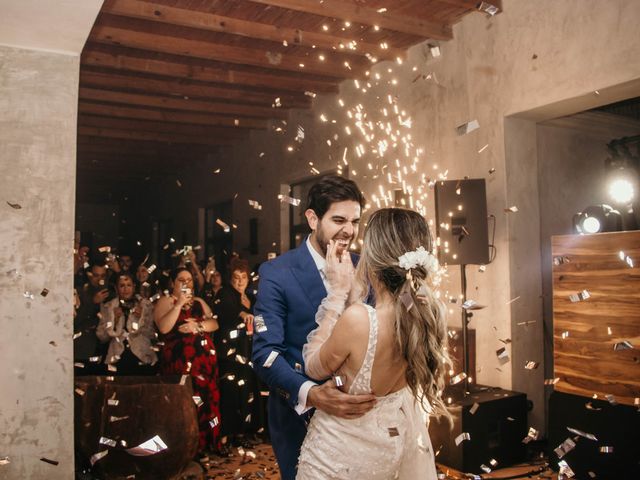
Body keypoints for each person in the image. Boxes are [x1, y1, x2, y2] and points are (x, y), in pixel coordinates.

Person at [296, 208, 451, 479]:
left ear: (373, 257)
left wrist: (337, 293)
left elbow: (313, 367)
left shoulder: (359, 319)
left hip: (339, 458)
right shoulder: (423, 313)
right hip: (387, 452)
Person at [252, 175, 375, 480]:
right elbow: (265, 354)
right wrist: (312, 393)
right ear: (312, 218)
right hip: (301, 419)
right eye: (338, 220)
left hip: (363, 418)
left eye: (355, 221)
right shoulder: (277, 273)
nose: (349, 230)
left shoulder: (366, 268)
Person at [154, 267, 222, 455]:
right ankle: (187, 446)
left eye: (189, 280)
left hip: (204, 362)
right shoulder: (166, 301)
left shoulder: (199, 302)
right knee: (185, 403)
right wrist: (178, 305)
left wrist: (197, 325)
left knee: (206, 401)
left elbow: (214, 324)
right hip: (180, 363)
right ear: (173, 283)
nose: (186, 283)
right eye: (181, 280)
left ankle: (208, 443)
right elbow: (164, 328)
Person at [213, 258, 266, 451]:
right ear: (231, 278)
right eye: (236, 277)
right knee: (230, 393)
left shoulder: (251, 297)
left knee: (247, 391)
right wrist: (242, 315)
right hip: (230, 352)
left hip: (248, 351)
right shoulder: (225, 293)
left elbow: (260, 319)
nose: (240, 281)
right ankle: (226, 436)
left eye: (243, 277)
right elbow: (227, 311)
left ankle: (243, 433)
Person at [96, 272, 158, 375]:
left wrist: (141, 318)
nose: (126, 289)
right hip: (116, 358)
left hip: (141, 356)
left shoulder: (145, 305)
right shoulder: (108, 307)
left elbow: (152, 335)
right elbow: (102, 337)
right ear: (116, 288)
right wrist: (114, 320)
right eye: (122, 286)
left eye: (129, 285)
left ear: (134, 286)